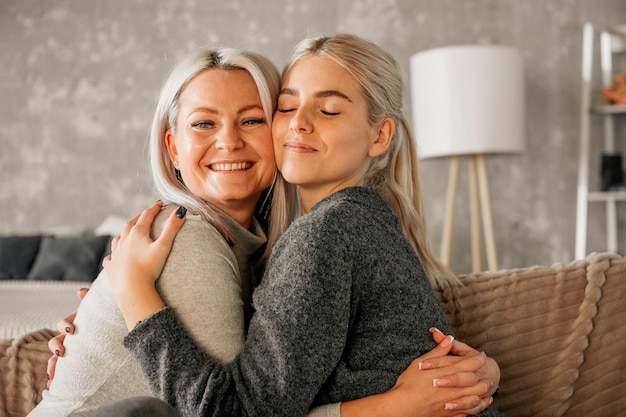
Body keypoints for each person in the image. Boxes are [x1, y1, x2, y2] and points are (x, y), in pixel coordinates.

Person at [94, 33, 502, 417]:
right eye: (286, 107)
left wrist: (135, 295)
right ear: (172, 146)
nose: (298, 123)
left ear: (380, 136)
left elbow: (236, 412)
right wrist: (102, 322)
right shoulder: (359, 222)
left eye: (328, 110)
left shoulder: (325, 234)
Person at [29, 46, 281, 417]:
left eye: (252, 120)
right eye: (203, 123)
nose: (229, 141)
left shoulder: (257, 238)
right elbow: (226, 412)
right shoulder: (187, 237)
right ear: (173, 148)